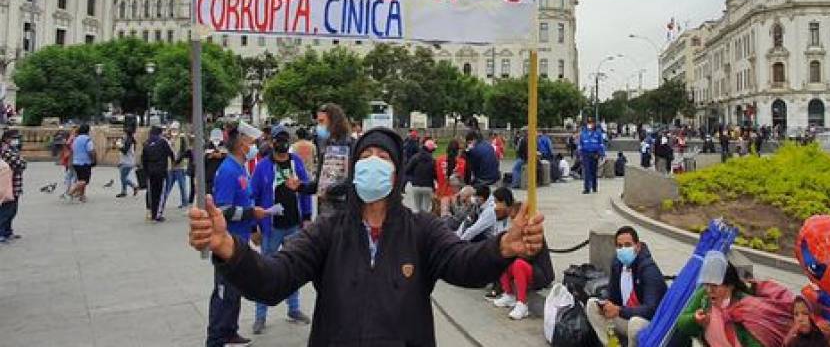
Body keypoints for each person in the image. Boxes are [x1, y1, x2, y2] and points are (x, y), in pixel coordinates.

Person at [187, 127, 545, 346]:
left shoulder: (421, 229)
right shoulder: (327, 232)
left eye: (383, 157)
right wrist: (228, 247)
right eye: (366, 156)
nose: (373, 161)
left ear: (396, 172)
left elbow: (464, 264)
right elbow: (273, 279)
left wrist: (501, 247)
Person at [205, 121, 268, 347]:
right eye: (252, 142)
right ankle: (216, 338)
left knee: (235, 290)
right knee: (224, 292)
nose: (255, 147)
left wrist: (252, 227)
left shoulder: (240, 168)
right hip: (226, 242)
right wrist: (252, 212)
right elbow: (222, 209)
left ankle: (230, 331)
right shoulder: (228, 170)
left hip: (239, 241)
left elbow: (245, 199)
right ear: (242, 145)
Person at [250, 125, 315, 335]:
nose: (282, 143)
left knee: (294, 269)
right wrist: (254, 227)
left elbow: (305, 190)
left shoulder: (296, 162)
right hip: (271, 228)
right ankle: (260, 316)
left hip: (294, 224)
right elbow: (253, 196)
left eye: (285, 139)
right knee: (264, 270)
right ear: (272, 142)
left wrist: (307, 217)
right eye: (279, 139)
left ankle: (294, 309)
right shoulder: (262, 167)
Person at [673, 251, 793, 347]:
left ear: (730, 285)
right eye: (706, 284)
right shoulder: (704, 297)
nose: (709, 290)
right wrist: (694, 319)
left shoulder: (748, 310)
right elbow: (682, 323)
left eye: (715, 286)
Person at [586, 226, 668, 347]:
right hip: (625, 316)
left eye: (628, 245)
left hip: (649, 324)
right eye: (619, 246)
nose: (623, 249)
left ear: (638, 246)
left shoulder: (649, 270)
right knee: (592, 305)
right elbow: (613, 296)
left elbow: (651, 310)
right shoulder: (617, 264)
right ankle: (612, 345)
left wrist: (620, 310)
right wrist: (606, 305)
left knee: (635, 324)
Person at [490, 192, 555, 321]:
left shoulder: (532, 233)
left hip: (540, 273)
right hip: (528, 270)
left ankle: (522, 303)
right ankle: (508, 294)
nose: (513, 221)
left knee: (518, 264)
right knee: (502, 258)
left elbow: (528, 256)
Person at [314, 103, 354, 218]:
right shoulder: (325, 146)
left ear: (334, 122)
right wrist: (300, 186)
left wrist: (332, 190)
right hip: (324, 210)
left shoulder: (351, 145)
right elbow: (319, 181)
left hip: (344, 210)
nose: (318, 126)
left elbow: (353, 180)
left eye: (321, 122)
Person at [141, 126, 176, 222]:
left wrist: (145, 171)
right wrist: (174, 162)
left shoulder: (146, 143)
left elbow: (143, 159)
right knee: (161, 193)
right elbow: (170, 153)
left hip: (150, 172)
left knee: (152, 193)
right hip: (161, 172)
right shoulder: (163, 142)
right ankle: (158, 214)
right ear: (159, 133)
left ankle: (152, 213)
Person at [0, 128, 25, 242]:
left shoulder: (11, 149)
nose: (17, 140)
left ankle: (8, 231)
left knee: (12, 210)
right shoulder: (6, 151)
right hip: (8, 185)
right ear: (6, 139)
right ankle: (2, 232)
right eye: (14, 138)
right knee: (7, 210)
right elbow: (20, 164)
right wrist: (21, 159)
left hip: (15, 184)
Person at [435, 140, 466, 216]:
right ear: (458, 151)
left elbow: (435, 176)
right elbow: (464, 180)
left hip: (441, 193)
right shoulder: (462, 162)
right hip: (455, 196)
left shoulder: (439, 160)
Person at [406, 138, 437, 214]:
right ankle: (424, 224)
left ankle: (416, 224)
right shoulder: (432, 160)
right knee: (425, 209)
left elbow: (407, 170)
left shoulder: (415, 157)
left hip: (416, 185)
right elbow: (435, 174)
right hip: (428, 186)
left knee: (416, 208)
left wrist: (413, 177)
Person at [164, 122, 190, 209]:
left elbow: (184, 151)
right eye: (172, 129)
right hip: (171, 166)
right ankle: (162, 201)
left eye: (175, 129)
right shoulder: (169, 139)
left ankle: (185, 202)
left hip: (179, 166)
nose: (173, 131)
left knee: (182, 185)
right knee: (168, 185)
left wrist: (177, 161)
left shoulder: (182, 138)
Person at [67, 123, 96, 202]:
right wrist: (94, 160)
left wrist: (70, 162)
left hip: (76, 163)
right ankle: (71, 191)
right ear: (88, 131)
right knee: (84, 181)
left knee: (81, 179)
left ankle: (82, 196)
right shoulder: (87, 139)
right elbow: (91, 151)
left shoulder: (76, 139)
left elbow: (72, 151)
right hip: (85, 163)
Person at [579, 118, 605, 194]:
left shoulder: (598, 133)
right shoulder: (583, 133)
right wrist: (579, 154)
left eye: (591, 123)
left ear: (594, 124)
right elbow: (580, 144)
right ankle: (587, 188)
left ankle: (594, 187)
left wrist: (601, 154)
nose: (590, 124)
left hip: (595, 154)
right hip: (585, 154)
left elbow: (601, 144)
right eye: (588, 123)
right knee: (587, 171)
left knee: (593, 171)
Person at [204, 128, 227, 197]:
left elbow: (228, 157)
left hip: (221, 172)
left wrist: (221, 156)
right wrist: (210, 156)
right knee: (209, 194)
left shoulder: (224, 146)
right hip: (210, 173)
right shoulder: (207, 146)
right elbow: (203, 160)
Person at [116, 127, 139, 198]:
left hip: (127, 162)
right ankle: (124, 191)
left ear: (126, 134)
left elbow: (125, 151)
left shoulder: (128, 141)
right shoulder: (130, 140)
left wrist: (118, 146)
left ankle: (134, 186)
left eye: (124, 133)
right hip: (126, 161)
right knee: (123, 177)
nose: (123, 135)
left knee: (123, 178)